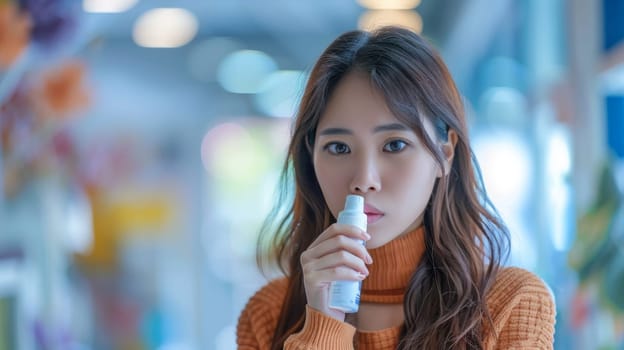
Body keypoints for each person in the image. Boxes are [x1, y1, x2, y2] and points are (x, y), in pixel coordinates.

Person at [236, 25, 556, 349]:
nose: (363, 180)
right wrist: (323, 326)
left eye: (394, 145)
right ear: (310, 156)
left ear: (445, 153)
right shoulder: (268, 313)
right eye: (339, 148)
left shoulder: (510, 302)